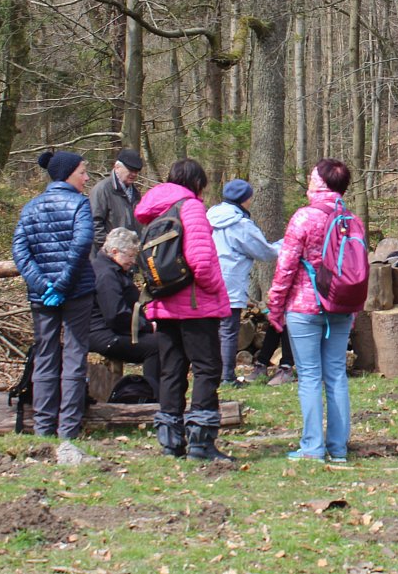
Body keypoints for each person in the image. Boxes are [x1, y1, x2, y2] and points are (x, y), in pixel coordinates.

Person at [135, 158, 232, 461]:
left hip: (163, 302)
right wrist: (216, 288)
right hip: (195, 305)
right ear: (197, 183)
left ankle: (170, 441)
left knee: (172, 370)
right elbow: (201, 261)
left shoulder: (154, 211)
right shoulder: (190, 207)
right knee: (207, 368)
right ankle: (201, 442)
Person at [268, 160, 358, 462]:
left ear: (321, 183)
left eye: (311, 177)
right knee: (336, 375)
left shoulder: (304, 217)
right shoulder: (350, 220)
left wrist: (275, 306)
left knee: (309, 376)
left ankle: (312, 447)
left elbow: (286, 266)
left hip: (304, 307)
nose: (308, 181)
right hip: (341, 306)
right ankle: (338, 447)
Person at [12, 150, 97, 465]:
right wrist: (59, 285)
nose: (86, 178)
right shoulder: (79, 205)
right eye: (82, 172)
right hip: (76, 292)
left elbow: (20, 250)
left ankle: (43, 427)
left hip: (45, 296)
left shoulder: (31, 206)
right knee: (74, 357)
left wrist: (42, 285)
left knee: (45, 356)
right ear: (68, 173)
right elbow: (81, 244)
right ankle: (67, 430)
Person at [208, 179, 281, 386]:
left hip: (207, 280)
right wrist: (286, 244)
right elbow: (264, 251)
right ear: (245, 199)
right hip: (230, 282)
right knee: (228, 330)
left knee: (211, 329)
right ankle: (227, 377)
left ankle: (209, 373)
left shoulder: (209, 216)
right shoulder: (240, 224)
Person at [90, 228, 161, 398]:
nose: (133, 261)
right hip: (104, 335)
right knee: (158, 345)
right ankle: (152, 394)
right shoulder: (106, 274)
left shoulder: (110, 268)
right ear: (114, 251)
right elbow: (116, 315)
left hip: (110, 331)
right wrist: (147, 327)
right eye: (130, 256)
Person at [89, 148, 143, 256]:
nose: (134, 174)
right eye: (130, 170)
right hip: (108, 256)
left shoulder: (135, 193)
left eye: (136, 171)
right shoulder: (102, 190)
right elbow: (94, 223)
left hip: (128, 256)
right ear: (117, 167)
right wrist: (109, 250)